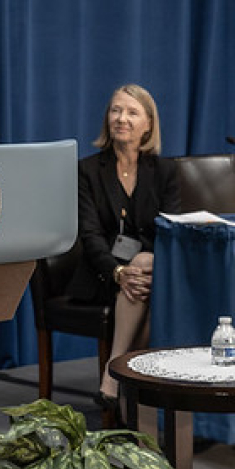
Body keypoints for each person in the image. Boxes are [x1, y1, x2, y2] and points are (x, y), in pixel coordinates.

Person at [66, 84, 181, 405]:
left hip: (151, 269)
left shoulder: (164, 170)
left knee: (145, 266)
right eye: (116, 110)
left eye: (132, 112)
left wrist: (141, 261)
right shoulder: (87, 170)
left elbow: (169, 229)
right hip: (102, 274)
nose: (122, 118)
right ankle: (130, 385)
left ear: (149, 124)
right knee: (142, 280)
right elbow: (89, 234)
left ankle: (115, 374)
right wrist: (117, 271)